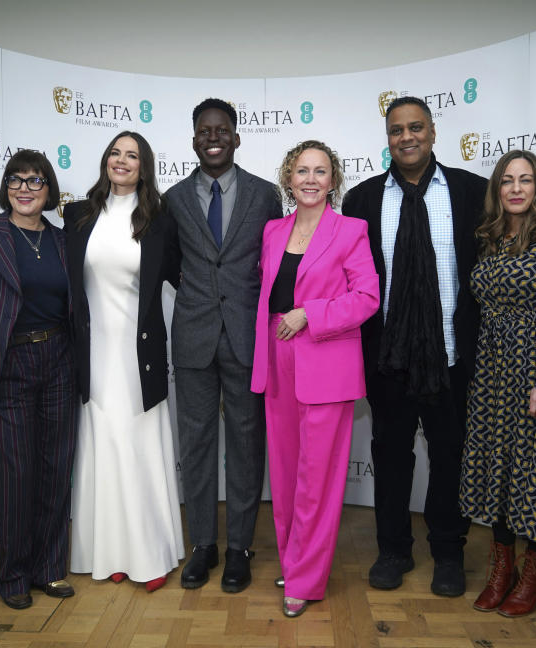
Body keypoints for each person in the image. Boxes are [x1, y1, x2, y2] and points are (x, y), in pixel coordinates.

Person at [341, 96, 487, 596]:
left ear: (432, 132)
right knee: (391, 456)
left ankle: (448, 553)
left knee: (450, 456)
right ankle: (394, 550)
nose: (407, 137)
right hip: (389, 357)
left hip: (452, 356)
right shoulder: (360, 200)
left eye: (416, 127)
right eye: (397, 129)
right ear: (387, 138)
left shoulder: (474, 192)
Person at [251, 140, 379, 617]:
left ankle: (305, 578)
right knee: (283, 474)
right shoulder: (271, 230)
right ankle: (293, 559)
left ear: (333, 180)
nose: (310, 179)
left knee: (317, 479)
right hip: (276, 358)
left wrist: (310, 314)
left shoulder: (350, 231)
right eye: (301, 171)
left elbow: (367, 297)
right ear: (288, 178)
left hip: (324, 359)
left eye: (319, 171)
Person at [459, 149, 536, 617]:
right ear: (497, 189)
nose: (515, 188)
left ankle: (533, 575)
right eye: (507, 180)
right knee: (499, 472)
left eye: (525, 180)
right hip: (492, 372)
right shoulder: (488, 238)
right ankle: (501, 570)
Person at [164, 98, 283, 592]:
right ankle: (203, 548)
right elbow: (171, 263)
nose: (213, 137)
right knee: (195, 446)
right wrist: (199, 295)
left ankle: (238, 548)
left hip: (246, 337)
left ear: (236, 137)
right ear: (194, 139)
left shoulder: (264, 194)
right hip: (193, 336)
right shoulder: (172, 199)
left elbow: (272, 261)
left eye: (222, 130)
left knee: (245, 444)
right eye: (204, 131)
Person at [0, 150, 76, 610]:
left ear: (49, 190)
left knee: (55, 469)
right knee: (13, 474)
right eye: (17, 180)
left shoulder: (64, 242)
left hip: (60, 361)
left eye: (36, 181)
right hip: (9, 364)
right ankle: (14, 575)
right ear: (6, 187)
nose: (26, 189)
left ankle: (49, 569)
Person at [64, 131, 184, 592]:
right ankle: (109, 554)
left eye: (132, 155)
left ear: (144, 166)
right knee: (103, 450)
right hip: (92, 355)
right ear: (105, 160)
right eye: (116, 152)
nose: (121, 160)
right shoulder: (77, 215)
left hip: (140, 357)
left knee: (136, 450)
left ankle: (149, 554)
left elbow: (184, 277)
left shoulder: (159, 220)